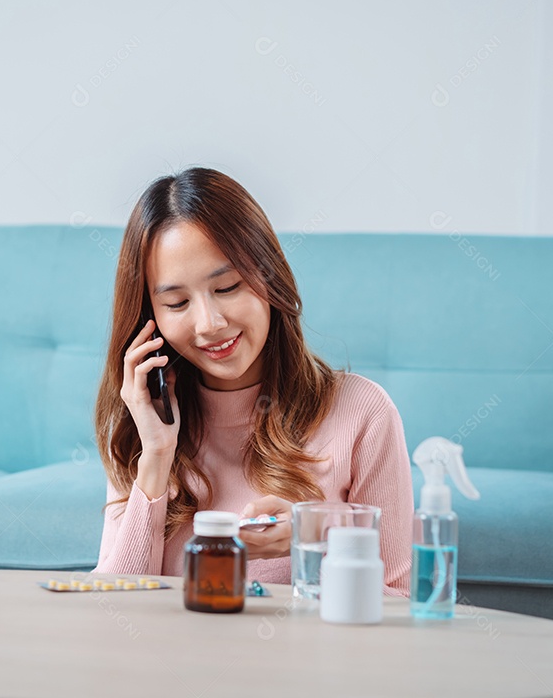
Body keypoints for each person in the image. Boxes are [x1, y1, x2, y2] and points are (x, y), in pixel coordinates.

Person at [91, 166, 413, 597]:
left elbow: (398, 604)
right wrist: (156, 455)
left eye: (227, 287)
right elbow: (115, 607)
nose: (209, 324)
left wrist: (312, 544)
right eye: (178, 302)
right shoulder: (142, 422)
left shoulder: (363, 413)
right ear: (151, 318)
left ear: (269, 276)